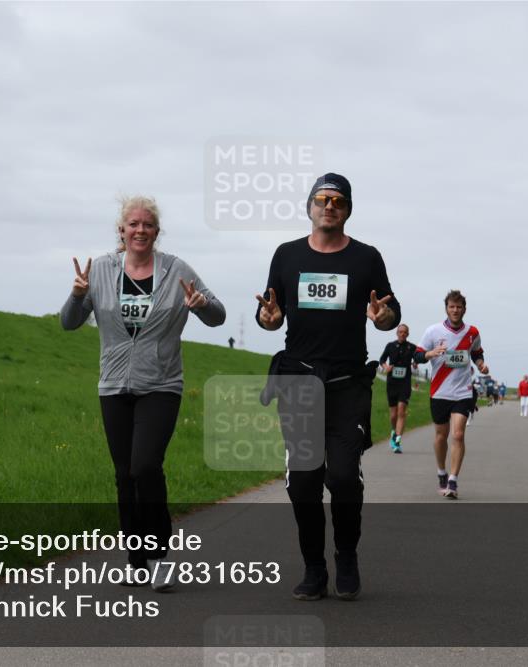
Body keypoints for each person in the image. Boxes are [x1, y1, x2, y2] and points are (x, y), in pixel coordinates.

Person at [61, 195, 226, 590]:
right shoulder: (99, 270)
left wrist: (201, 304)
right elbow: (69, 322)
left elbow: (218, 316)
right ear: (122, 230)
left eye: (147, 224)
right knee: (123, 476)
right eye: (132, 224)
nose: (139, 230)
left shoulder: (176, 270)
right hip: (114, 386)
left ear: (156, 231)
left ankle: (160, 555)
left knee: (145, 467)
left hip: (162, 384)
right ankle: (136, 561)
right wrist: (78, 295)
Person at [255, 173, 399, 601]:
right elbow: (272, 315)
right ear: (310, 207)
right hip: (299, 382)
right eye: (322, 199)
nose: (329, 206)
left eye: (338, 200)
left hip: (346, 384)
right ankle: (314, 568)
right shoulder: (286, 255)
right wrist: (268, 318)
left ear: (348, 208)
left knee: (342, 477)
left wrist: (382, 318)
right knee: (302, 483)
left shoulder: (367, 258)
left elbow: (389, 312)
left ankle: (347, 555)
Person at [414, 290, 489, 500]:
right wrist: (430, 353)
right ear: (446, 308)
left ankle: (453, 481)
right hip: (439, 392)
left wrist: (481, 365)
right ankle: (441, 472)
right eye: (451, 307)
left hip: (462, 392)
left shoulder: (472, 332)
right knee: (441, 436)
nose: (455, 310)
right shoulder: (433, 331)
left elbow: (476, 353)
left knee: (458, 435)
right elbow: (418, 355)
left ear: (464, 309)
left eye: (459, 307)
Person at [378, 324, 417, 452]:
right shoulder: (390, 346)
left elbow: (419, 357)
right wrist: (385, 367)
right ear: (397, 333)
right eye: (400, 332)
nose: (402, 334)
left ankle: (397, 441)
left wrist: (416, 363)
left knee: (401, 411)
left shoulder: (412, 347)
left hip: (405, 383)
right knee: (393, 414)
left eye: (405, 332)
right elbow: (382, 359)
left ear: (408, 334)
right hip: (392, 383)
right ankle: (394, 432)